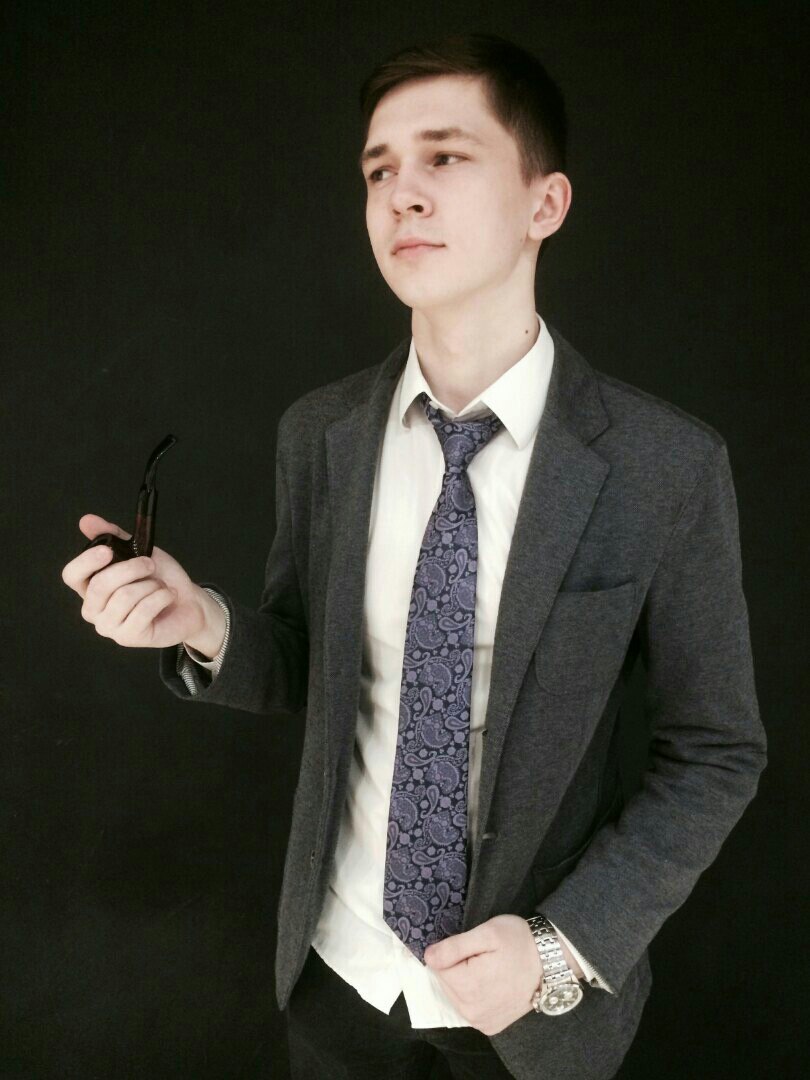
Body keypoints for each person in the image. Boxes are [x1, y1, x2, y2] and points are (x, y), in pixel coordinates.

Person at [61, 31, 767, 1080]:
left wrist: (558, 950)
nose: (404, 194)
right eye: (379, 170)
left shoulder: (665, 465)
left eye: (446, 156)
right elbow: (310, 661)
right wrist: (200, 621)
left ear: (545, 204)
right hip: (337, 983)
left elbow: (715, 752)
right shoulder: (322, 433)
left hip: (534, 1019)